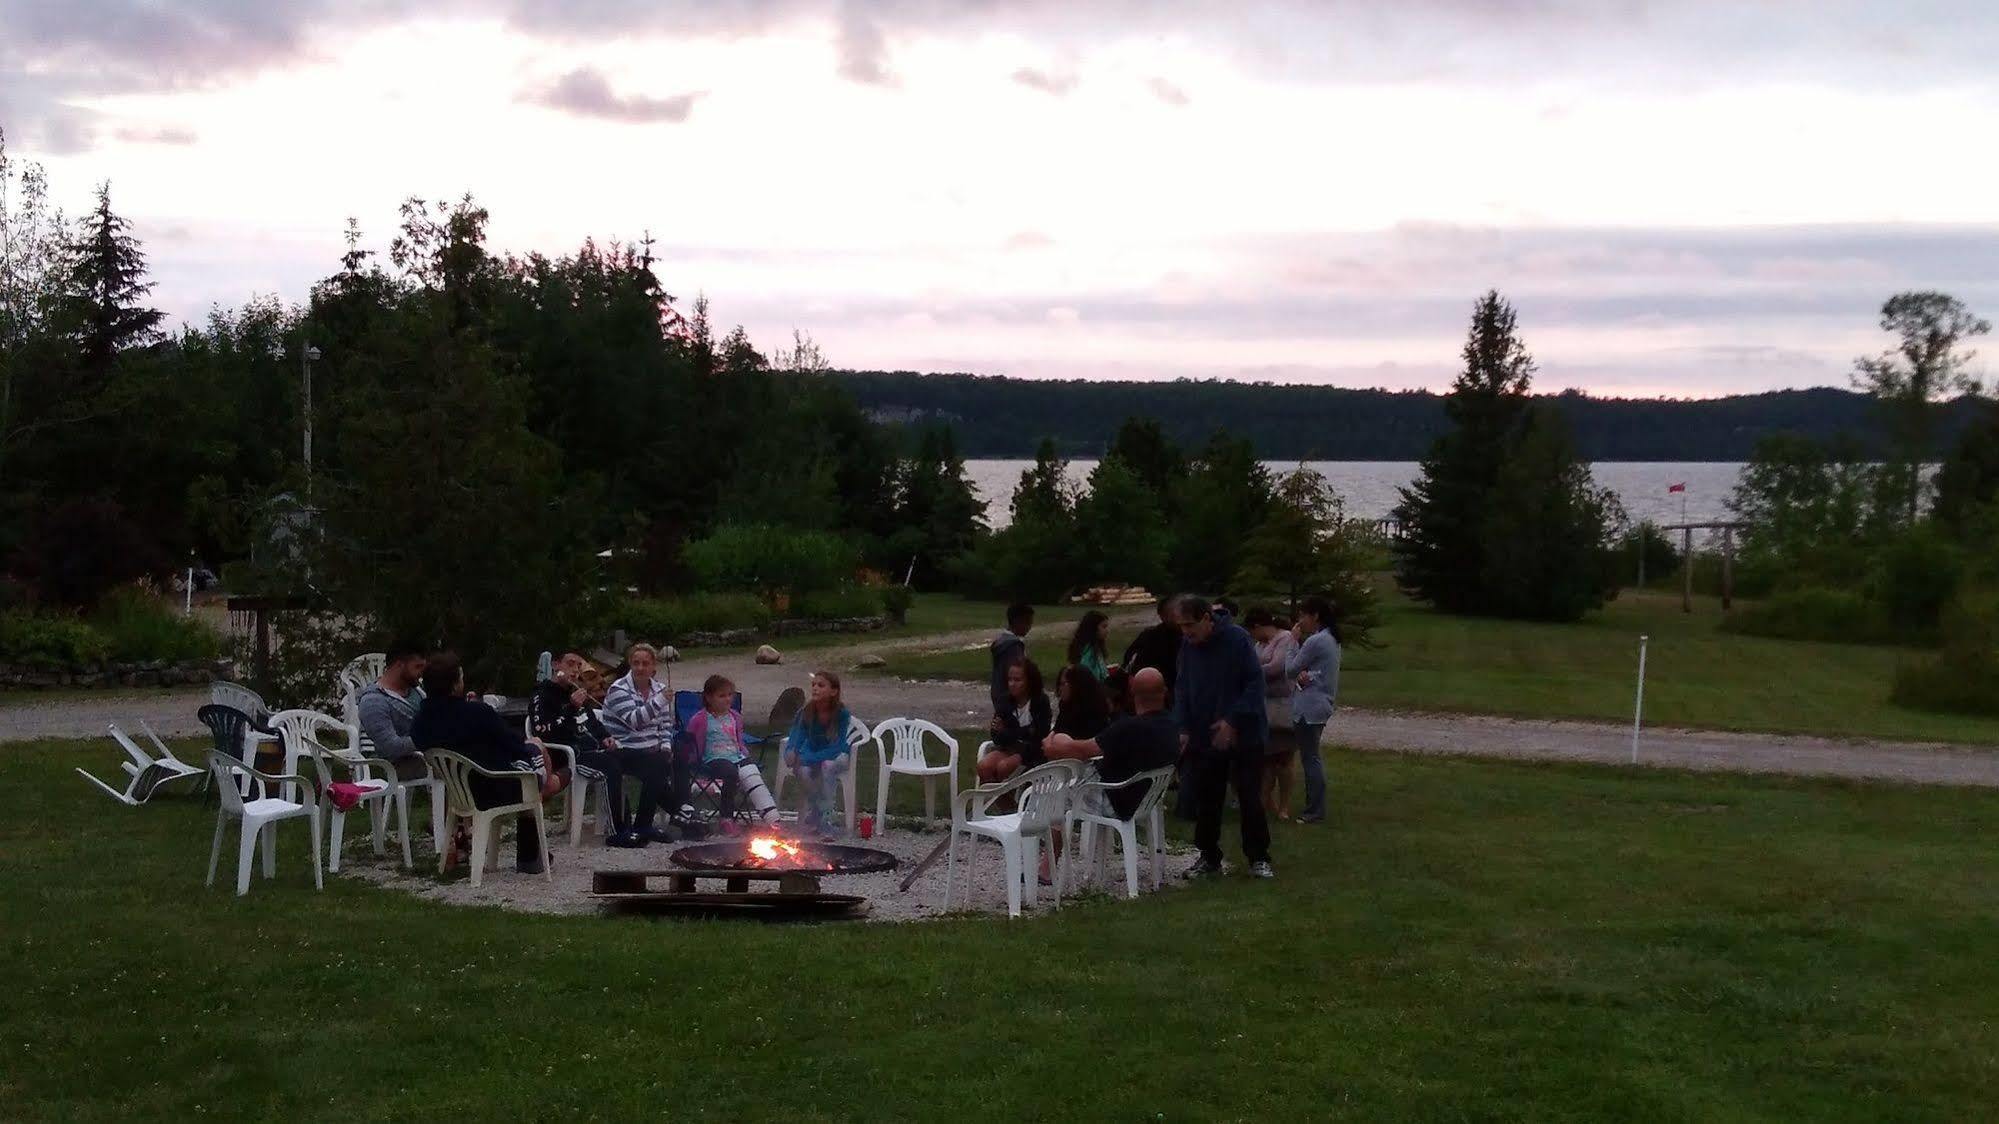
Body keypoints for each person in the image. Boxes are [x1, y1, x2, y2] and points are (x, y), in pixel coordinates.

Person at [411, 651, 567, 873]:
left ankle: (531, 847)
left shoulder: (420, 721)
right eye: (461, 677)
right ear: (455, 684)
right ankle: (531, 855)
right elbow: (513, 744)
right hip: (493, 788)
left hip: (458, 792)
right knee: (535, 752)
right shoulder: (477, 713)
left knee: (532, 763)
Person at [1169, 594, 1273, 879]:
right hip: (1205, 736)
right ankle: (1208, 857)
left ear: (1206, 618)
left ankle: (1258, 858)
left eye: (1190, 624)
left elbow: (1254, 684)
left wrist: (1232, 719)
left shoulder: (1237, 639)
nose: (1186, 632)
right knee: (1208, 798)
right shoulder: (1188, 647)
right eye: (1181, 626)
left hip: (1244, 734)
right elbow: (1182, 688)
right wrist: (1182, 727)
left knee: (1249, 795)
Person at [535, 651, 664, 848]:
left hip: (595, 749)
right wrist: (570, 708)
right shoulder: (543, 694)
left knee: (650, 761)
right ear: (556, 665)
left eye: (578, 666)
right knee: (610, 767)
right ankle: (617, 832)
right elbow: (542, 731)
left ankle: (641, 826)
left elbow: (592, 722)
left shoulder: (575, 690)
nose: (575, 670)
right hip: (571, 754)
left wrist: (605, 736)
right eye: (570, 664)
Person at [1045, 667, 1181, 819]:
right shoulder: (1172, 726)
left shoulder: (1129, 728)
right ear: (1165, 691)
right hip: (1146, 801)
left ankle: (1051, 841)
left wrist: (1053, 746)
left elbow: (1084, 750)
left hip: (1117, 801)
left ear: (1133, 692)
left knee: (1052, 793)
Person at [600, 642, 682, 841]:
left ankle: (678, 814)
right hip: (622, 748)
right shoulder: (618, 689)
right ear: (630, 664)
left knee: (671, 759)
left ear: (653, 666)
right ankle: (676, 814)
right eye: (636, 663)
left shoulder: (659, 689)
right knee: (657, 766)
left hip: (649, 750)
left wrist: (665, 747)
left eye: (645, 663)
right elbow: (635, 721)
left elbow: (664, 725)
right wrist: (660, 701)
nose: (640, 668)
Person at [682, 674, 780, 831]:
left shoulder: (735, 717)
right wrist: (688, 757)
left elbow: (738, 739)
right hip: (713, 757)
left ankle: (773, 819)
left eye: (730, 695)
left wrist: (744, 752)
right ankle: (726, 817)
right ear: (708, 697)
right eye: (722, 696)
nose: (727, 699)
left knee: (752, 771)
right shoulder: (700, 719)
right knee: (731, 773)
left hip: (736, 755)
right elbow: (688, 739)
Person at [1284, 595, 1344, 825]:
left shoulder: (1315, 640)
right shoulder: (1331, 638)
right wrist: (1306, 674)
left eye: (1302, 615)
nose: (1300, 621)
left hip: (1308, 708)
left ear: (1315, 615)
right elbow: (1312, 671)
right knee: (1312, 757)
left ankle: (1314, 810)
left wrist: (1292, 642)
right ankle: (1314, 806)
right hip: (1321, 704)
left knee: (1311, 759)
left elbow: (1290, 669)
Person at [783, 671, 855, 840]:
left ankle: (826, 820)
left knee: (827, 767)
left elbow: (837, 747)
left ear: (833, 691)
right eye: (813, 685)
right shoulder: (806, 711)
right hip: (813, 753)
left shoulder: (841, 714)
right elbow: (796, 736)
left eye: (821, 685)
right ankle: (818, 812)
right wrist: (791, 751)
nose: (815, 688)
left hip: (837, 755)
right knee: (803, 772)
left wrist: (809, 759)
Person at [1247, 606, 1299, 822]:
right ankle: (1265, 802)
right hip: (1264, 705)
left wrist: (1251, 670)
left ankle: (1284, 806)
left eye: (1252, 631)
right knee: (1266, 758)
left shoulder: (1285, 638)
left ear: (1258, 626)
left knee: (1284, 758)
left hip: (1284, 705)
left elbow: (1277, 667)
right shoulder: (1259, 644)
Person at [356, 643, 428, 781]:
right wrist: (430, 737)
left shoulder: (419, 692)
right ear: (399, 665)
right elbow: (391, 747)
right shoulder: (373, 701)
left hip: (424, 755)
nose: (421, 673)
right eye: (417, 667)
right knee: (451, 767)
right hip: (389, 765)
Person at [977, 658, 1051, 784]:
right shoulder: (1005, 701)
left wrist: (1008, 731)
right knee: (984, 766)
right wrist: (1021, 732)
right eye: (1010, 680)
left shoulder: (1040, 702)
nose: (1012, 684)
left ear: (1029, 681)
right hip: (1010, 748)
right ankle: (1005, 803)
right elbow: (996, 736)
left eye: (1017, 680)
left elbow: (1038, 735)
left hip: (1033, 751)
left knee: (1004, 767)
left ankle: (1015, 799)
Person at [1120, 599, 1181, 699]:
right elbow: (1131, 662)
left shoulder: (1188, 635)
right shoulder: (1150, 637)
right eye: (1174, 612)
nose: (1179, 615)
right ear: (1162, 616)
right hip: (1158, 692)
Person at [990, 602, 1034, 716]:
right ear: (1017, 621)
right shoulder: (1014, 646)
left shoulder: (1001, 642)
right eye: (1028, 622)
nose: (1029, 627)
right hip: (1010, 697)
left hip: (999, 692)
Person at [1052, 663, 1111, 741]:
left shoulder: (1093, 715)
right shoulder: (1066, 706)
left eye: (1063, 684)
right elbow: (1057, 731)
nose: (1060, 689)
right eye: (1059, 684)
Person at [1066, 610, 1112, 682]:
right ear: (1093, 628)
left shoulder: (1096, 648)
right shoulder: (1088, 652)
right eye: (1104, 627)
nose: (1107, 631)